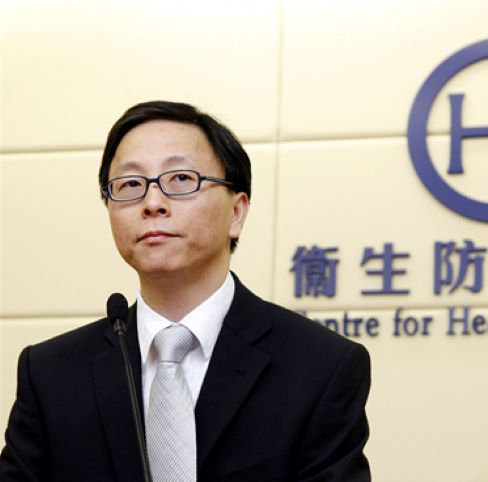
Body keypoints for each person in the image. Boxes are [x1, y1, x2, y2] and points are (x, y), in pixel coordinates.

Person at [0, 101, 372, 481]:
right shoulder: (50, 375)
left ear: (236, 212)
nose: (152, 203)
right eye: (130, 185)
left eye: (180, 178)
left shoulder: (320, 367)